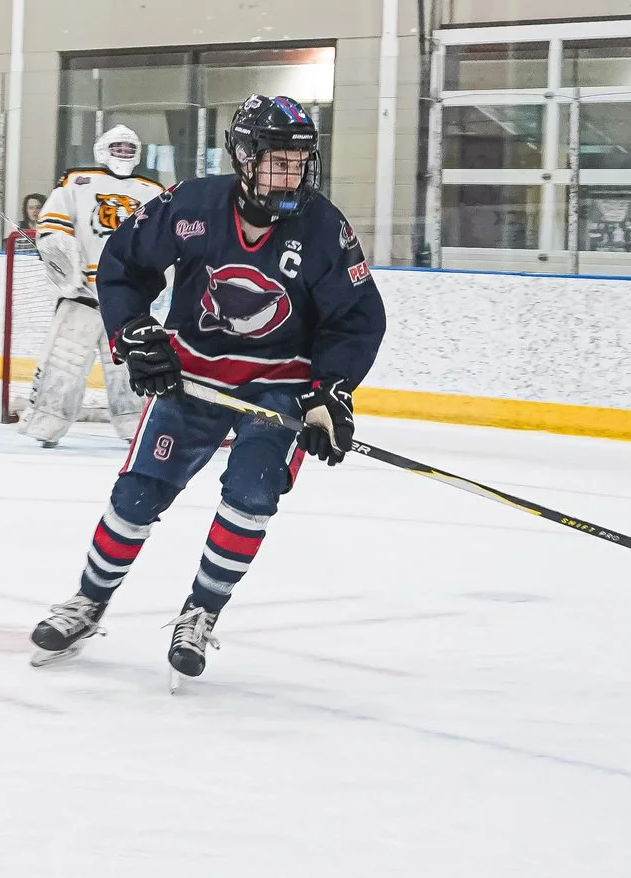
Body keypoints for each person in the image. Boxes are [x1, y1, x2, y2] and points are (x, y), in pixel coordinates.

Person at [27, 96, 385, 682]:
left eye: (299, 161)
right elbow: (125, 265)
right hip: (192, 378)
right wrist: (134, 330)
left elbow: (355, 319)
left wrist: (332, 392)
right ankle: (87, 604)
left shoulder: (325, 228)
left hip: (277, 387)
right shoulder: (191, 205)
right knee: (137, 495)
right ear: (243, 157)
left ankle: (201, 613)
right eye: (277, 161)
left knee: (252, 494)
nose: (290, 173)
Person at [20, 126, 168, 447]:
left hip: (127, 297)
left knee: (130, 365)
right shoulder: (78, 181)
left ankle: (135, 425)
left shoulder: (152, 190)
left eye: (129, 148)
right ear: (102, 149)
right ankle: (47, 423)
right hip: (83, 294)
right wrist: (64, 264)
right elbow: (52, 227)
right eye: (118, 147)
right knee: (63, 362)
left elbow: (164, 240)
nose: (124, 153)